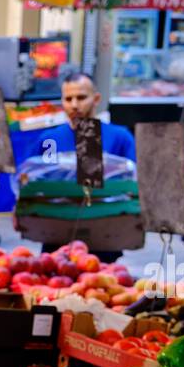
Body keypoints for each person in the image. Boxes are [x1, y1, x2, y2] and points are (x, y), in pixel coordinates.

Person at [29, 72, 136, 259]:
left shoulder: (119, 137)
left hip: (103, 236)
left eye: (81, 98)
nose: (74, 105)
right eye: (68, 99)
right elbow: (31, 182)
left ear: (96, 99)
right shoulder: (49, 140)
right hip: (56, 236)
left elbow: (133, 184)